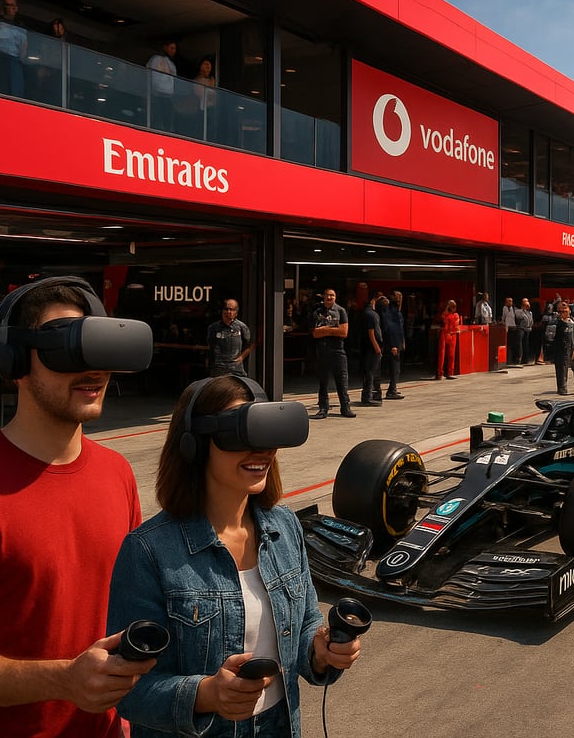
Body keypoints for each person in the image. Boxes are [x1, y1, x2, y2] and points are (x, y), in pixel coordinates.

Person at [0, 276, 154, 736]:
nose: (93, 369)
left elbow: (122, 608)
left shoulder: (117, 473)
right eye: (68, 348)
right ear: (15, 361)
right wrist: (63, 680)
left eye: (99, 348)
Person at [107, 375, 362, 736]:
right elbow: (128, 689)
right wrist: (206, 694)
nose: (261, 452)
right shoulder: (149, 551)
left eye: (268, 434)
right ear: (194, 444)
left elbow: (304, 625)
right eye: (240, 434)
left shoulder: (284, 526)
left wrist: (321, 652)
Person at [309, 289, 354, 419]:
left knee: (342, 380)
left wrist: (324, 329)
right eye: (327, 295)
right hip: (322, 350)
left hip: (338, 350)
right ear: (323, 296)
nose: (330, 297)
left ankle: (345, 408)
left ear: (335, 297)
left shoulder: (341, 311)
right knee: (323, 381)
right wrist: (334, 329)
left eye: (332, 295)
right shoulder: (317, 312)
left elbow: (344, 332)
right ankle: (323, 408)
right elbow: (315, 333)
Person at [207, 298, 253, 376]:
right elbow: (210, 346)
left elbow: (251, 344)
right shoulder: (213, 328)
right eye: (226, 309)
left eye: (232, 309)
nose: (228, 312)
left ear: (236, 313)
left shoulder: (241, 327)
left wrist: (242, 357)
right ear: (222, 311)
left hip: (236, 370)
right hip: (218, 369)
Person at [551, 301, 574, 396]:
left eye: (565, 311)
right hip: (560, 350)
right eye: (560, 311)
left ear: (569, 311)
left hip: (571, 349)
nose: (563, 313)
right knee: (561, 369)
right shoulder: (555, 324)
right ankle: (562, 388)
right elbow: (550, 337)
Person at [147, 39, 179, 131]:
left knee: (167, 121)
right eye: (171, 48)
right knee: (157, 120)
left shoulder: (171, 64)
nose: (173, 51)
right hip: (156, 96)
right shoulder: (156, 59)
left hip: (168, 97)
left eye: (175, 48)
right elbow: (155, 79)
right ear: (165, 47)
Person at [358, 294, 383, 407]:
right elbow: (371, 332)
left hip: (368, 347)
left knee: (372, 371)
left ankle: (371, 395)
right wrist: (377, 346)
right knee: (371, 371)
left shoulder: (367, 313)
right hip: (372, 347)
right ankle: (368, 396)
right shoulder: (371, 314)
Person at [382, 291, 406, 399]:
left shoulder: (396, 311)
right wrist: (394, 345)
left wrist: (402, 341)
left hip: (397, 342)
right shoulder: (391, 311)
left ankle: (394, 388)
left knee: (397, 367)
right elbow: (391, 329)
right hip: (393, 343)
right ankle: (391, 390)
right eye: (398, 298)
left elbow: (399, 329)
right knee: (394, 367)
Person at [436, 300, 460, 380]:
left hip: (452, 334)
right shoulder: (446, 314)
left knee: (451, 355)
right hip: (445, 333)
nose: (454, 308)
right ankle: (440, 373)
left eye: (455, 307)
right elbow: (442, 319)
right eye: (453, 307)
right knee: (442, 354)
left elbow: (455, 323)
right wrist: (447, 307)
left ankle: (450, 372)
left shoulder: (456, 315)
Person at [501, 296, 519, 366]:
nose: (510, 302)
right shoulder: (504, 308)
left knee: (514, 345)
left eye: (511, 301)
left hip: (513, 327)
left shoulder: (514, 309)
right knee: (508, 344)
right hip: (507, 327)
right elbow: (503, 317)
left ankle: (513, 359)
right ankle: (508, 360)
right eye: (509, 301)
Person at [515, 297, 534, 365]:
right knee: (520, 344)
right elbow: (519, 317)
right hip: (521, 329)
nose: (528, 305)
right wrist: (523, 310)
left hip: (527, 329)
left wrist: (530, 326)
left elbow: (531, 320)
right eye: (526, 303)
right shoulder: (518, 311)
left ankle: (525, 359)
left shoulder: (530, 313)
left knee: (526, 344)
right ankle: (518, 358)